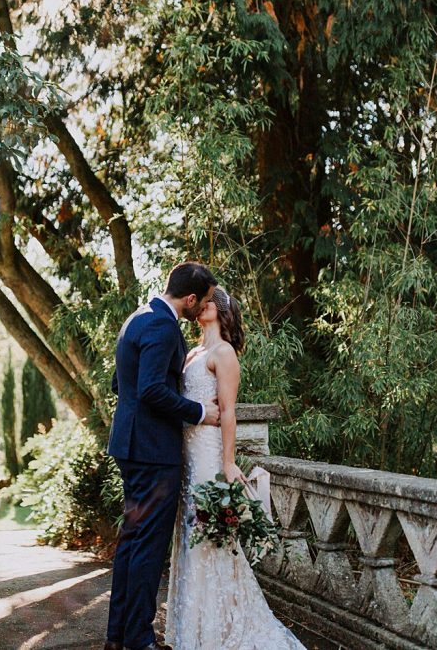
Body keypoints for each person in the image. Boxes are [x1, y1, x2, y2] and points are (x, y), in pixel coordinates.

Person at [165, 287, 305, 650]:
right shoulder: (193, 352)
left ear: (222, 310)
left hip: (210, 456)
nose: (201, 304)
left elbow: (229, 412)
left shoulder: (224, 353)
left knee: (211, 538)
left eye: (208, 300)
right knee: (190, 535)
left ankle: (222, 629)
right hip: (186, 455)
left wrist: (228, 463)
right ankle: (192, 628)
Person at [105, 261, 222, 650]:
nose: (203, 306)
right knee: (148, 549)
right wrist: (202, 412)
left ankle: (118, 637)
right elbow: (152, 389)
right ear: (190, 299)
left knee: (132, 542)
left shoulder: (138, 316)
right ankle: (139, 640)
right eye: (203, 300)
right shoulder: (162, 325)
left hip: (133, 445)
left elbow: (119, 381)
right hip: (153, 452)